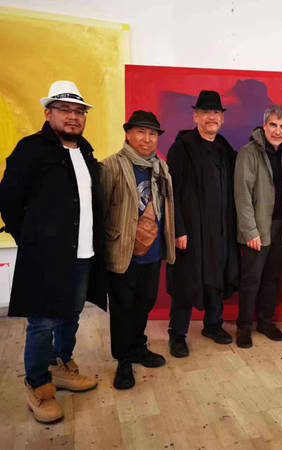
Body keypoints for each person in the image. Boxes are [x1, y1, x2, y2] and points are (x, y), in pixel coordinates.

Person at [0, 80, 106, 423]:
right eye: (65, 110)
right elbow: (8, 200)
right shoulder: (31, 149)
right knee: (42, 322)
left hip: (83, 252)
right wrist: (31, 239)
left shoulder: (86, 152)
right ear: (48, 113)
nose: (73, 117)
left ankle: (61, 364)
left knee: (71, 313)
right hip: (45, 256)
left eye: (79, 111)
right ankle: (37, 382)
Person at [101, 110, 176, 389]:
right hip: (124, 252)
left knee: (145, 303)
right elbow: (101, 211)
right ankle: (123, 360)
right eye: (141, 132)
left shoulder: (160, 167)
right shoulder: (112, 166)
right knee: (123, 307)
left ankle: (137, 347)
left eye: (152, 133)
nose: (147, 138)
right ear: (128, 134)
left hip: (153, 251)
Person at [166, 90, 239, 357]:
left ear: (222, 118)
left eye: (216, 113)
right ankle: (177, 334)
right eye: (206, 112)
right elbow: (170, 192)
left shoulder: (225, 149)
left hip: (220, 230)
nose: (212, 117)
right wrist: (179, 229)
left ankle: (213, 324)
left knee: (216, 277)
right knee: (186, 281)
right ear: (195, 116)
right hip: (192, 231)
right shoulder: (181, 148)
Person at [234, 105, 282, 348]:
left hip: (280, 226)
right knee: (251, 279)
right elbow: (242, 195)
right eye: (273, 125)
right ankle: (244, 325)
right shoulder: (248, 153)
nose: (278, 131)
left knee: (272, 277)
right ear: (264, 125)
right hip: (257, 228)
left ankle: (265, 322)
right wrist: (250, 231)